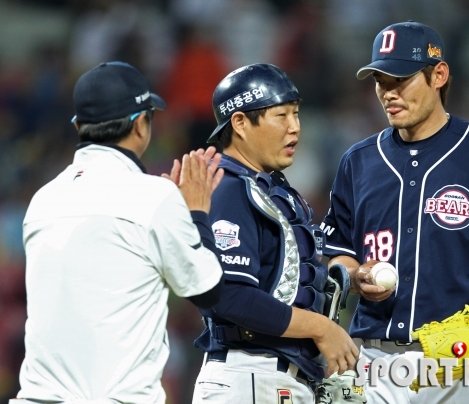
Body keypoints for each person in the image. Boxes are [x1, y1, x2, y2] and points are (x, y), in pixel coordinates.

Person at [320, 21, 469, 403]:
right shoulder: (359, 161)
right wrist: (355, 272)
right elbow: (338, 248)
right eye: (380, 81)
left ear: (439, 75)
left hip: (461, 362)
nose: (388, 93)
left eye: (400, 79)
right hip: (375, 359)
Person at [12, 61, 225, 404]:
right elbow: (210, 290)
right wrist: (195, 212)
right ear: (142, 124)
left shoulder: (42, 199)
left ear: (79, 126)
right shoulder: (153, 197)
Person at [190, 63, 359, 404]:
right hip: (249, 374)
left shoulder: (268, 188)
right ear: (239, 123)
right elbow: (230, 296)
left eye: (296, 114)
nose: (295, 128)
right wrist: (321, 328)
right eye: (281, 116)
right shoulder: (229, 188)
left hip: (277, 376)